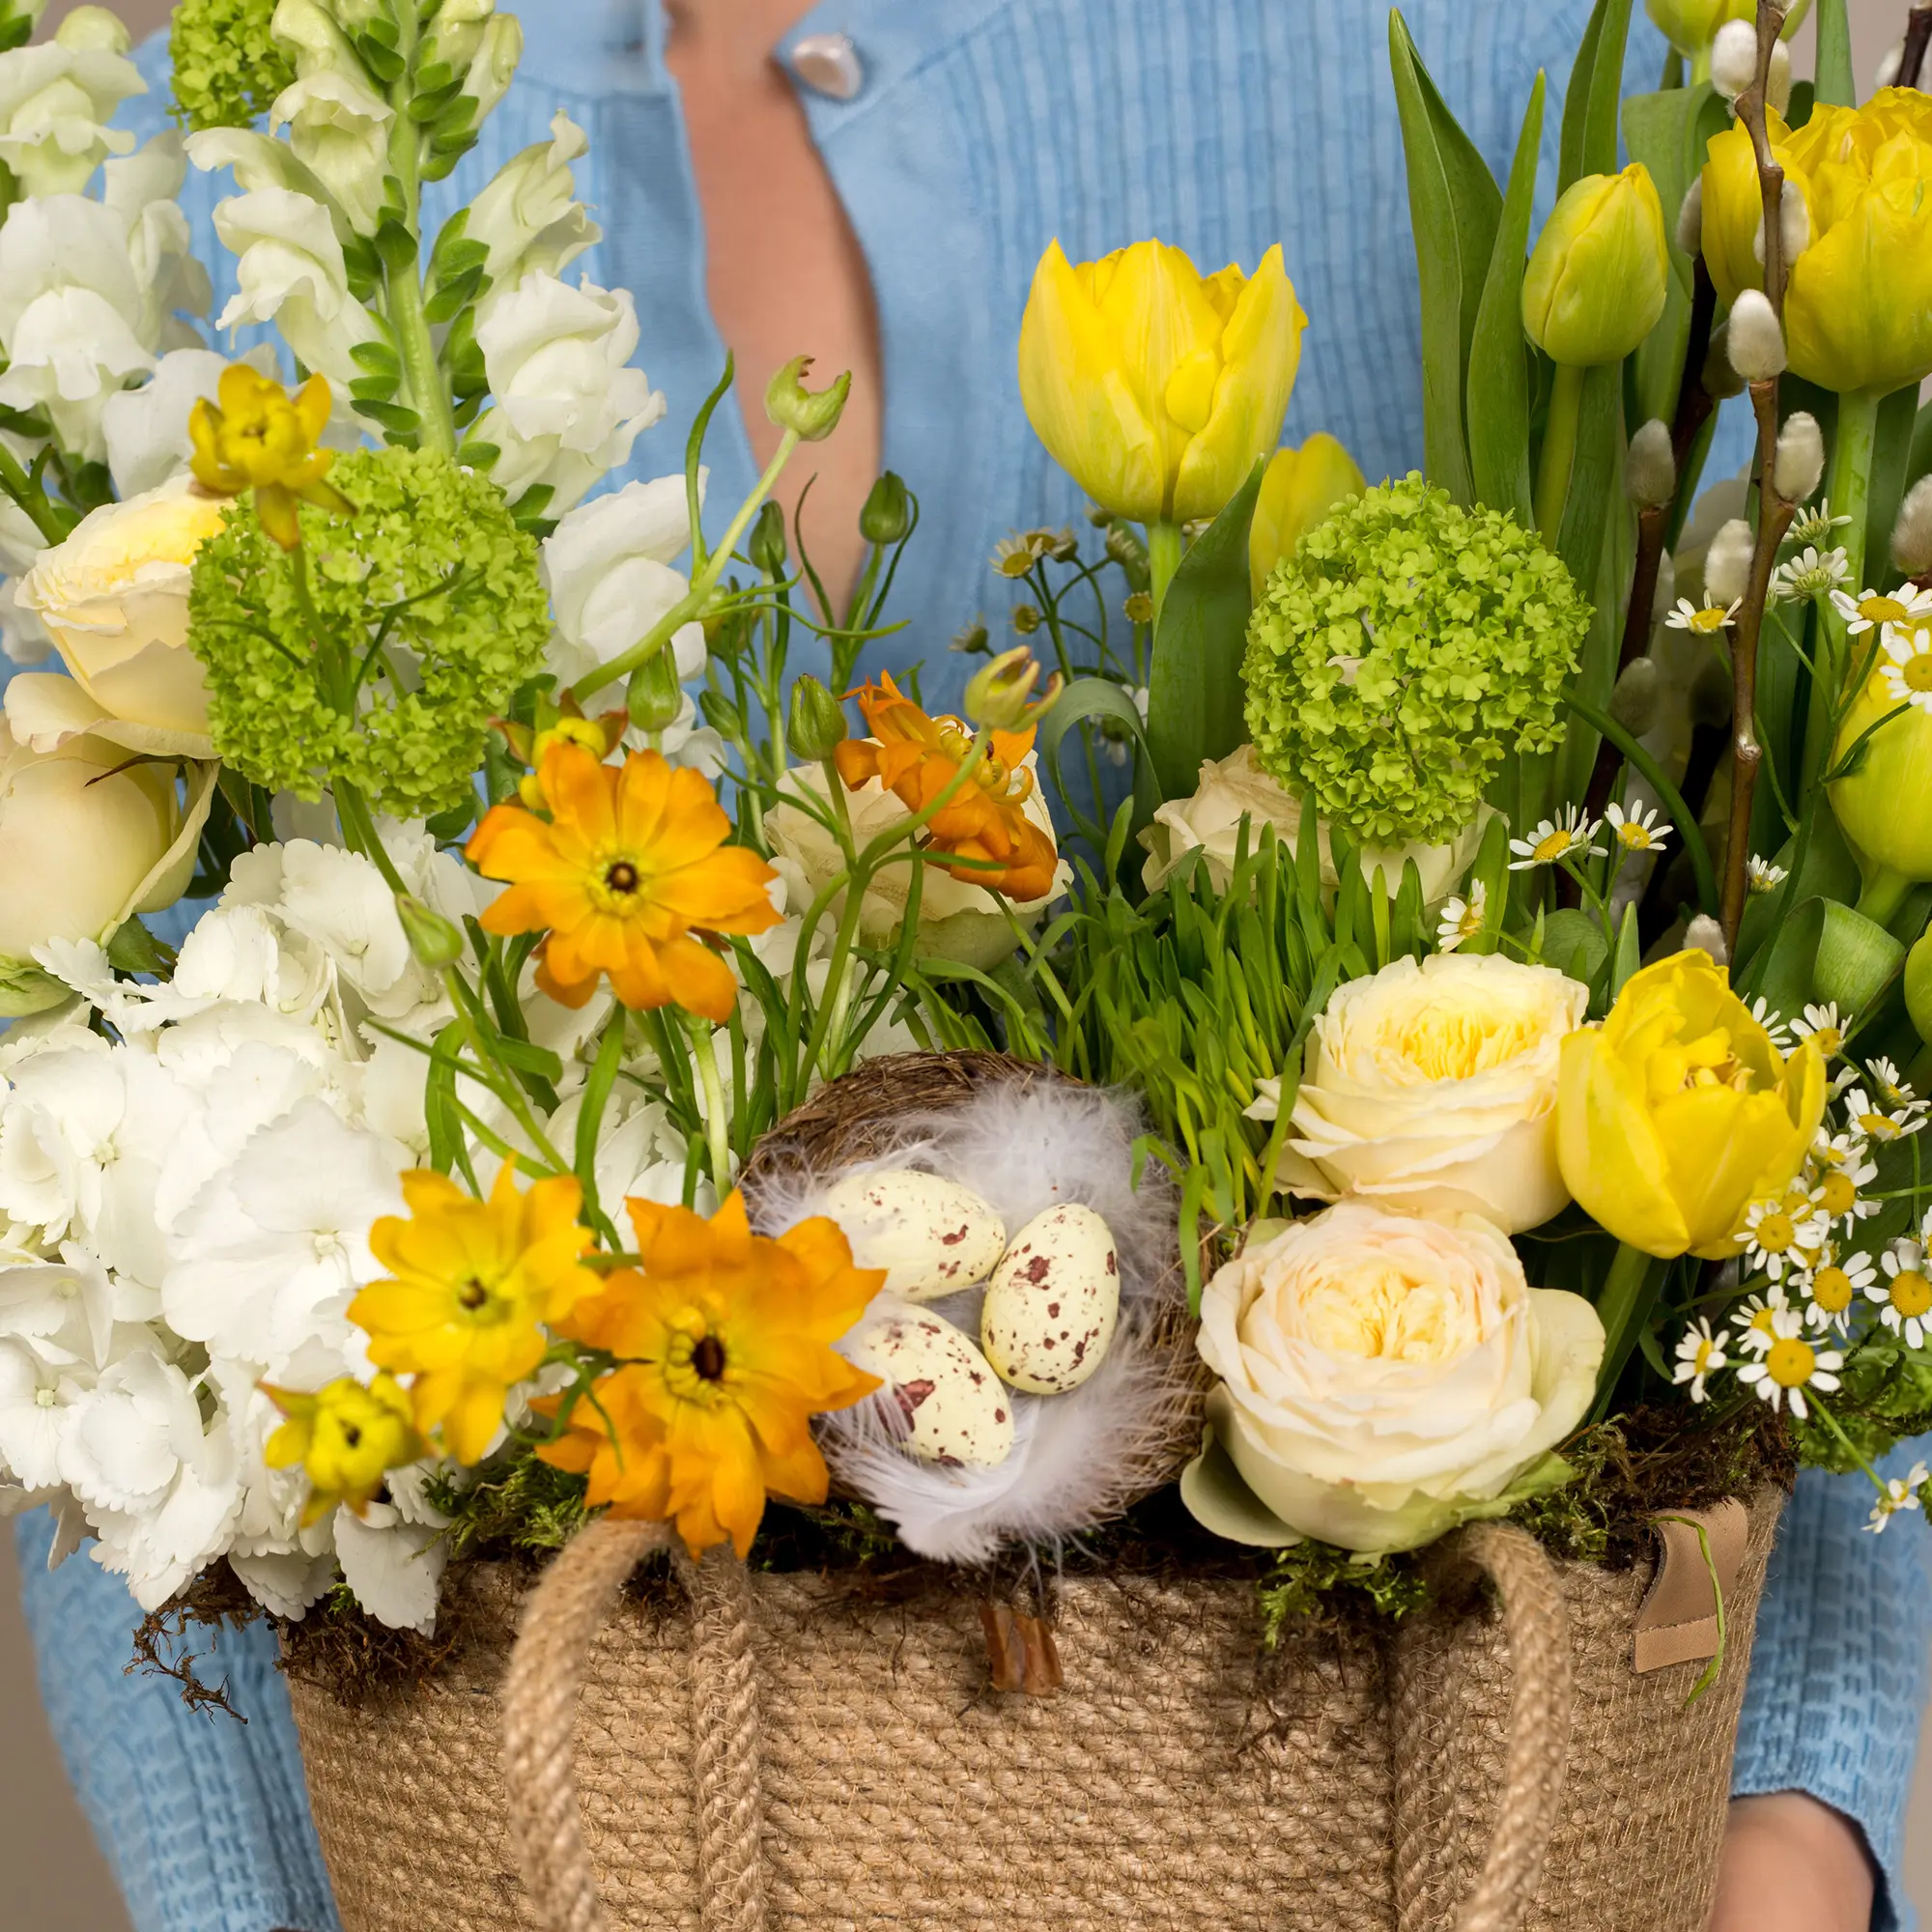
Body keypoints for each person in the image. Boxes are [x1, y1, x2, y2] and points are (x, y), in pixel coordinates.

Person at [9, 2, 1929, 1928]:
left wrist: (1786, 1823)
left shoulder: (1491, 37)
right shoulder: (207, 177)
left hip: (1433, 1839)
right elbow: (95, 1222)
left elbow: (1800, 974)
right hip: (538, 1846)